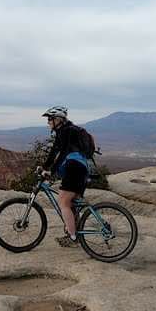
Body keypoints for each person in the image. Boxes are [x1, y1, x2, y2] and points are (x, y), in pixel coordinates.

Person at [40, 106, 89, 247]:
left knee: (63, 202)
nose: (48, 122)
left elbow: (62, 153)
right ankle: (73, 232)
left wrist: (52, 171)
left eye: (50, 119)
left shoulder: (67, 131)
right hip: (79, 169)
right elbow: (54, 150)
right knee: (71, 204)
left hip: (75, 169)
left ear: (58, 119)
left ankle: (73, 238)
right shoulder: (65, 131)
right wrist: (44, 166)